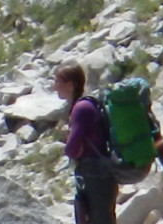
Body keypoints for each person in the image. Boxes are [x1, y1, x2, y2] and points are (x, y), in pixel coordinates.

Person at [54, 62, 117, 224]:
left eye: (58, 82)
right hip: (101, 173)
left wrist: (74, 149)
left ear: (70, 85)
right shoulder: (86, 104)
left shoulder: (81, 108)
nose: (55, 87)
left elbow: (72, 148)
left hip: (95, 175)